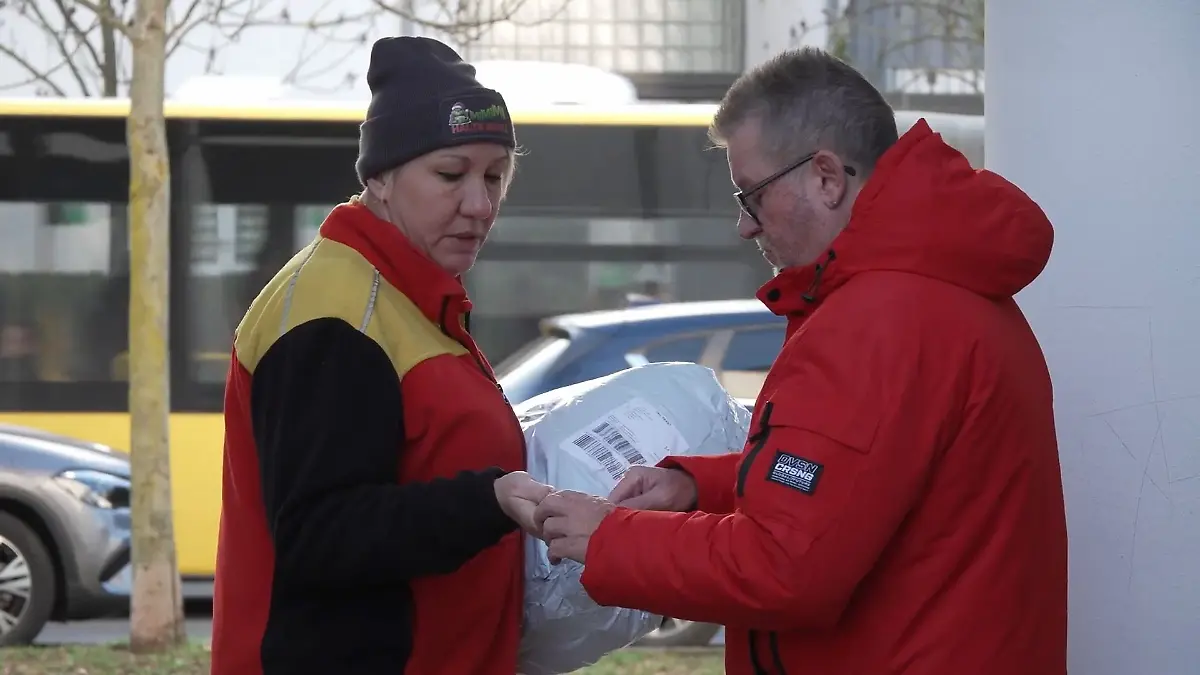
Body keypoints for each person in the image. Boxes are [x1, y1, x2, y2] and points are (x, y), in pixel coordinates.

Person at [533, 47, 1068, 675]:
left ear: (825, 177)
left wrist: (605, 537)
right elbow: (860, 484)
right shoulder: (943, 289)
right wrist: (697, 487)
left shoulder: (872, 321)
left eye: (751, 194)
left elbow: (785, 567)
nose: (744, 226)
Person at [210, 36, 552, 675]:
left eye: (496, 176)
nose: (480, 205)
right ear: (379, 177)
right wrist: (491, 500)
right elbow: (320, 534)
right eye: (451, 174)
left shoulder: (406, 295)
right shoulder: (335, 314)